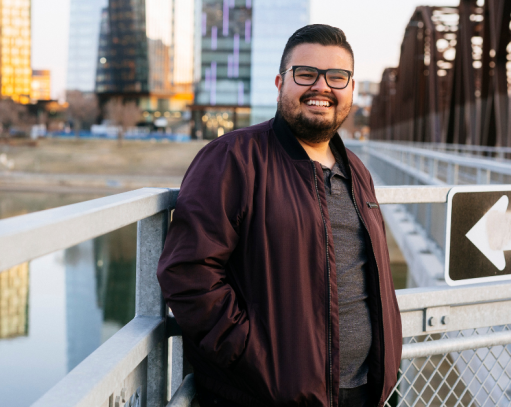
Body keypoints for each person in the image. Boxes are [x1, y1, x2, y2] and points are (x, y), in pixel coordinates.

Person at [156, 24, 402, 407]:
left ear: (352, 88)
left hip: (363, 392)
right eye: (305, 74)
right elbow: (188, 273)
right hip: (265, 396)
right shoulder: (234, 157)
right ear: (280, 82)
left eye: (337, 77)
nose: (321, 87)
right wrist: (252, 358)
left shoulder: (358, 171)